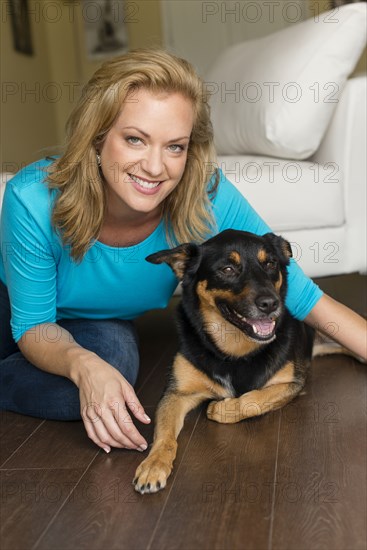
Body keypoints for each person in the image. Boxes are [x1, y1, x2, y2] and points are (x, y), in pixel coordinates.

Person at [0, 49, 366, 454]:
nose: (155, 167)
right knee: (88, 375)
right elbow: (33, 324)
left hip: (93, 323)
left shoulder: (207, 195)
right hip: (16, 311)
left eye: (174, 146)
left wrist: (91, 369)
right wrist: (82, 365)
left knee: (108, 386)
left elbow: (304, 298)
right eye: (135, 139)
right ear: (98, 137)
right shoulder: (32, 197)